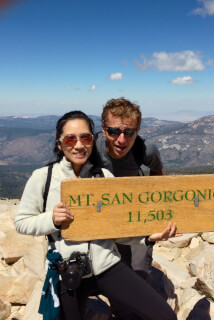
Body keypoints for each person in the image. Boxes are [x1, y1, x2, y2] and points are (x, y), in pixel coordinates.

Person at [14, 111, 177, 320]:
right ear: (59, 144)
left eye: (85, 137)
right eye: (71, 139)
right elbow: (21, 222)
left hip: (107, 265)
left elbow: (114, 229)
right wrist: (51, 220)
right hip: (68, 271)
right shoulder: (43, 178)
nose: (79, 145)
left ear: (92, 140)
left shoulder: (104, 176)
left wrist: (146, 238)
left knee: (164, 316)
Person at [94, 97, 163, 282]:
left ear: (138, 130)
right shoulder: (90, 149)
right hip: (99, 216)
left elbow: (157, 170)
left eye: (129, 132)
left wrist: (151, 205)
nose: (121, 140)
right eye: (114, 131)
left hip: (135, 216)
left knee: (137, 273)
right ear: (103, 128)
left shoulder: (145, 149)